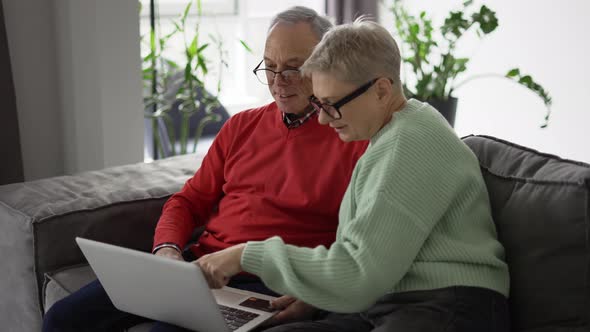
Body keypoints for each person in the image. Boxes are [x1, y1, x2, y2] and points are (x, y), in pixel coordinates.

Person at [42, 7, 368, 332]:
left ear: (326, 64)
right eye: (269, 68)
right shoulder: (242, 125)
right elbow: (187, 201)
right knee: (63, 317)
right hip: (200, 267)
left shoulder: (355, 139)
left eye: (293, 69)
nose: (278, 82)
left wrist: (317, 296)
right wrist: (167, 251)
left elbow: (365, 248)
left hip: (271, 286)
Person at [196, 19, 511, 331]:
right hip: (386, 302)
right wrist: (316, 290)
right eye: (319, 103)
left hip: (447, 306)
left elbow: (359, 273)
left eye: (331, 104)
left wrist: (246, 255)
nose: (321, 119)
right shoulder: (387, 138)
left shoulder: (411, 142)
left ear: (381, 90)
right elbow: (360, 260)